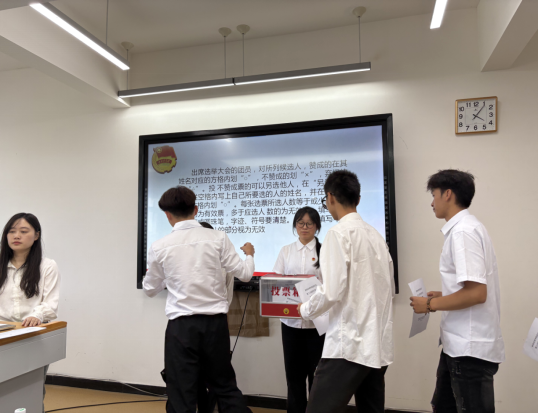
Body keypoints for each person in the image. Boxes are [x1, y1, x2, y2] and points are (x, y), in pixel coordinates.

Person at [143, 186, 255, 413]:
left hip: (181, 328)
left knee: (181, 393)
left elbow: (150, 289)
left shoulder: (159, 247)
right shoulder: (218, 238)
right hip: (215, 326)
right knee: (224, 387)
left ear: (167, 215)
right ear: (195, 210)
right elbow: (245, 274)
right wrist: (250, 255)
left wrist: (169, 277)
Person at [297, 170, 395, 414]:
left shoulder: (338, 234)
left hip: (348, 344)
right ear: (358, 199)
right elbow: (388, 288)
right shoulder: (376, 236)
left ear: (330, 197)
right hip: (376, 343)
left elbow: (331, 292)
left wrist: (305, 309)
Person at [410, 170, 505, 413]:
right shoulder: (468, 228)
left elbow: (477, 293)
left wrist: (429, 305)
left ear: (448, 194)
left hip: (468, 350)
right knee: (442, 406)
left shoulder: (463, 232)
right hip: (458, 346)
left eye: (434, 195)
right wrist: (443, 296)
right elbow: (471, 288)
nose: (432, 203)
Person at [0, 213, 61, 413]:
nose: (16, 236)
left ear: (36, 235)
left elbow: (50, 304)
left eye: (23, 231)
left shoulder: (47, 266)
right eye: (11, 231)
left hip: (33, 335)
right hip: (3, 334)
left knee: (31, 389)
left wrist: (36, 316)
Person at [273, 207, 325, 413]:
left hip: (317, 325)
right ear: (295, 225)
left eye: (309, 223)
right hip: (290, 323)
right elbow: (276, 281)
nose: (304, 227)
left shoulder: (324, 251)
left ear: (317, 227)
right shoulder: (286, 251)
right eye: (300, 223)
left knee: (317, 376)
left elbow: (330, 286)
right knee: (294, 376)